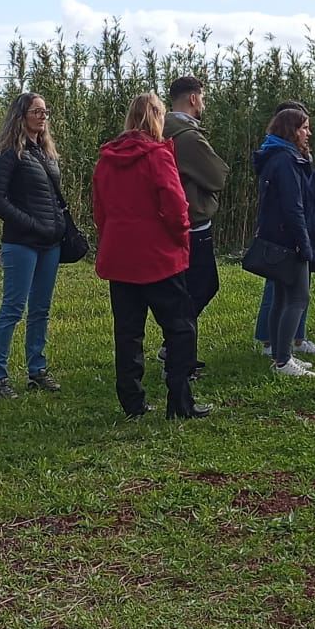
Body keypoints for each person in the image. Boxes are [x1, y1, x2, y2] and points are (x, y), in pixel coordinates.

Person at [94, 93, 209, 420]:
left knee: (128, 332)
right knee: (180, 328)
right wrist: (180, 237)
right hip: (158, 256)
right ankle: (179, 401)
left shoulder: (107, 158)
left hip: (120, 255)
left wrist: (113, 237)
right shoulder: (158, 156)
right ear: (158, 118)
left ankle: (132, 402)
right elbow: (175, 206)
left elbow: (99, 210)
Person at [0, 91, 68, 398]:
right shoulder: (10, 153)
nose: (42, 117)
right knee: (13, 307)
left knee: (41, 310)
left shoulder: (45, 153)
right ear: (21, 116)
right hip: (22, 243)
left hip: (50, 243)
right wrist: (30, 223)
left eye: (45, 112)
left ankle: (37, 369)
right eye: (36, 112)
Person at [163, 76, 230, 371]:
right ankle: (177, 350)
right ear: (192, 98)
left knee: (186, 289)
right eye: (202, 98)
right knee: (201, 287)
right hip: (194, 222)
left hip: (173, 221)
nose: (203, 103)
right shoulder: (188, 137)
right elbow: (218, 175)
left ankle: (178, 349)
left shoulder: (160, 130)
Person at [253, 106, 315, 378]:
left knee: (282, 298)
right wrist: (304, 244)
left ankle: (282, 356)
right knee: (297, 298)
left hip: (277, 237)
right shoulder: (287, 160)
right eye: (304, 128)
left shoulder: (275, 155)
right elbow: (294, 207)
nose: (308, 133)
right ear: (292, 130)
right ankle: (283, 361)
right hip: (289, 239)